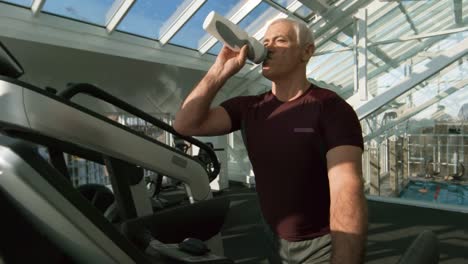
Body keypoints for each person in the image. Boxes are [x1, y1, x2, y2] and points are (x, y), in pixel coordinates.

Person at [174, 17, 367, 264]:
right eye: (265, 42)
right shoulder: (249, 107)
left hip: (322, 244)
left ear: (306, 52)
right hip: (272, 238)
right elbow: (185, 124)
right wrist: (219, 71)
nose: (268, 48)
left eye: (280, 40)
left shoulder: (330, 108)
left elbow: (347, 187)